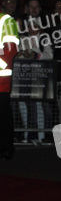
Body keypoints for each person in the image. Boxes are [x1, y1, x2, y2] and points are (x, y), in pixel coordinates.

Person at [0, 10, 19, 158]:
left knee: (3, 114)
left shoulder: (6, 20)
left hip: (1, 80)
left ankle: (6, 147)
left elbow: (11, 50)